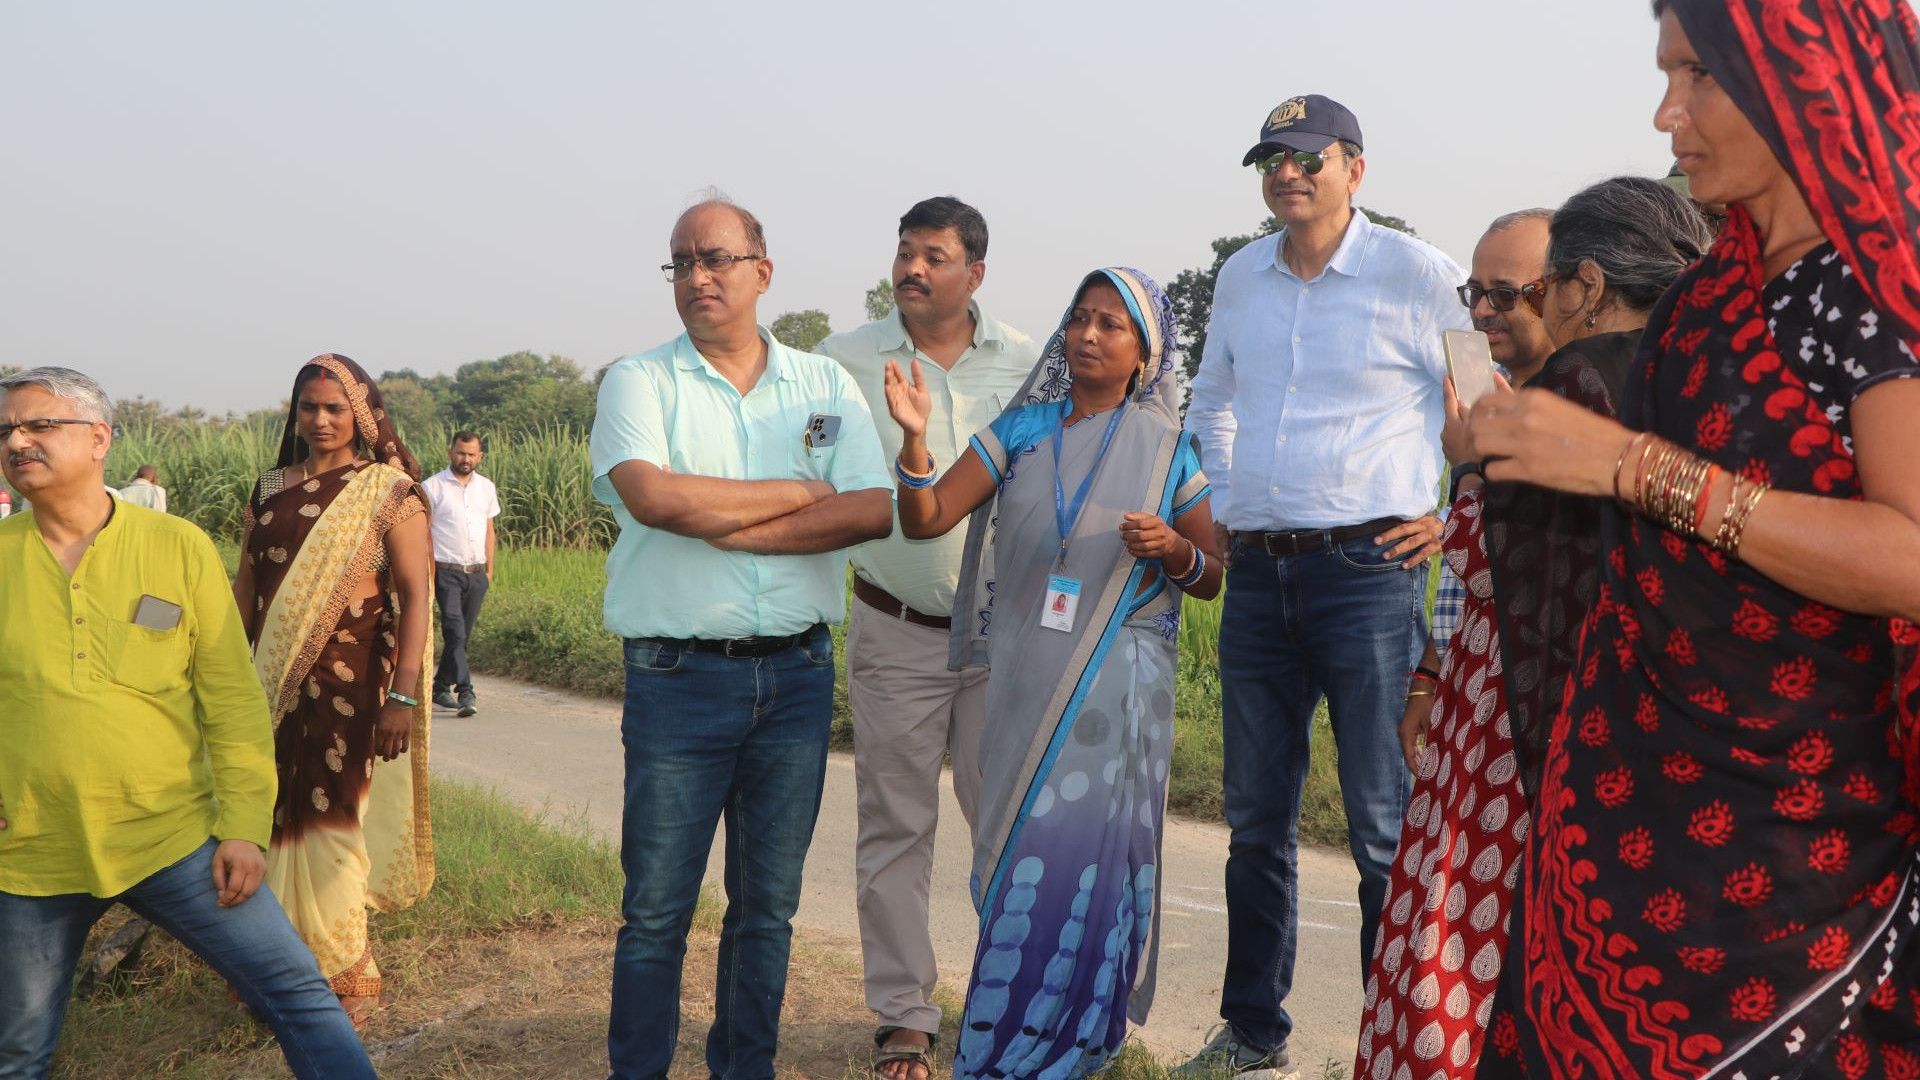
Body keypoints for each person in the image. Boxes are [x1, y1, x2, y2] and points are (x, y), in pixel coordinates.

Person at [1467, 3, 1920, 1076]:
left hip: (1788, 856)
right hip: (1629, 813)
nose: (1667, 113)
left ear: (1802, 74)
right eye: (1666, 73)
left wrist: (1630, 468)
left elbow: (1910, 554)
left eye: (1700, 77)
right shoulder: (1714, 289)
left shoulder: (1876, 289)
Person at [1356, 181, 1713, 1080]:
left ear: (1584, 287)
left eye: (1520, 291)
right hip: (1580, 718)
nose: (1489, 312)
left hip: (1521, 729)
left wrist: (1481, 467)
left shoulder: (1571, 394)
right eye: (1475, 294)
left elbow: (1531, 587)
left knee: (1461, 962)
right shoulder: (1687, 382)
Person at [1180, 93, 1465, 1076]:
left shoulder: (1420, 274)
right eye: (1271, 157)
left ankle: (1399, 1044)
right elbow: (1211, 397)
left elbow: (1488, 397)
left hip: (1370, 574)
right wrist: (1228, 491)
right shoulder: (1241, 277)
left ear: (1355, 166)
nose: (1284, 173)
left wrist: (1457, 512)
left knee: (1382, 823)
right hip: (1259, 574)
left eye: (1305, 157)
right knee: (1256, 821)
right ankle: (1253, 1030)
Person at [883, 266, 1221, 1079]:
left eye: (1113, 325)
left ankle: (1072, 1042)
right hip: (1025, 681)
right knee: (1017, 857)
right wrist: (916, 439)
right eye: (1081, 318)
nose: (1090, 335)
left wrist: (1173, 550)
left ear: (1146, 354)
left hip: (1118, 696)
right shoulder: (1024, 429)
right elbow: (926, 514)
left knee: (1090, 866)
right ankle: (1005, 1039)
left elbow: (1214, 573)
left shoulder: (1171, 449)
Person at [0, 367, 376, 1080]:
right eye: (6, 431)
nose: (18, 441)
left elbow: (231, 703)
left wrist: (241, 827)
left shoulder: (177, 547)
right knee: (18, 1051)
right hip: (32, 851)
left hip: (171, 836)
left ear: (99, 439)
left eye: (38, 424)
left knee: (299, 993)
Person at [590, 195, 893, 1080]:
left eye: (716, 259)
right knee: (656, 909)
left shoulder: (822, 387)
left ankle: (744, 1069)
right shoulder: (639, 383)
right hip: (678, 678)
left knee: (766, 909)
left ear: (764, 270)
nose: (698, 278)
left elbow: (872, 507)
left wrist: (723, 513)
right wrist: (800, 492)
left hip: (795, 678)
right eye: (681, 263)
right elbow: (656, 498)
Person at [815, 195, 1041, 1080]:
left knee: (1006, 824)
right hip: (894, 630)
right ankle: (905, 1015)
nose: (913, 269)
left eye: (933, 256)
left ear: (974, 273)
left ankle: (1007, 998)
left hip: (1004, 640)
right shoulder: (844, 361)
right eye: (905, 253)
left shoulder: (1028, 364)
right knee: (895, 827)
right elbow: (814, 473)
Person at [233, 354, 435, 1026]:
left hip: (348, 687)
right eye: (308, 408)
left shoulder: (387, 491)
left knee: (330, 819)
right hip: (264, 681)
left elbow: (414, 599)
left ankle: (352, 974)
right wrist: (226, 677)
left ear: (362, 415)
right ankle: (285, 968)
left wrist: (402, 699)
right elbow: (247, 588)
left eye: (334, 409)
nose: (319, 421)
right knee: (269, 817)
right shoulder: (269, 487)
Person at [421, 431, 500, 717]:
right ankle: (465, 691)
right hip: (446, 572)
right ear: (449, 452)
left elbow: (489, 530)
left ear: (480, 456)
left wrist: (490, 571)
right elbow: (423, 534)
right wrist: (428, 572)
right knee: (454, 629)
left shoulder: (486, 488)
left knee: (461, 636)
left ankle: (440, 686)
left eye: (471, 454)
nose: (465, 459)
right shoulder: (432, 487)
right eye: (460, 453)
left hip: (476, 574)